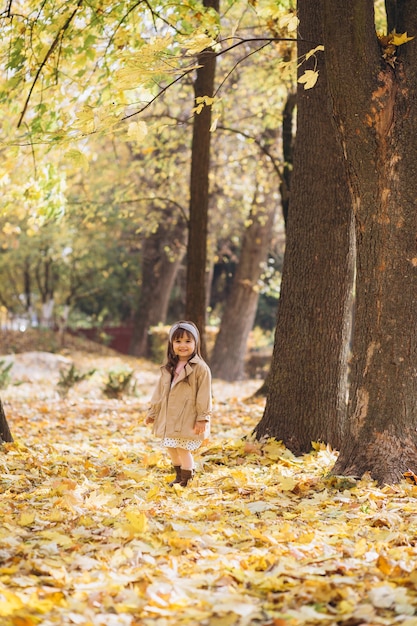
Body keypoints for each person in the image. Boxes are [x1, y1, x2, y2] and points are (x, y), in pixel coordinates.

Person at [145, 320, 212, 487]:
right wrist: (152, 412)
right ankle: (178, 475)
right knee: (171, 448)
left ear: (196, 343)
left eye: (188, 341)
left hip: (187, 416)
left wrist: (202, 417)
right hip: (169, 416)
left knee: (183, 448)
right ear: (171, 344)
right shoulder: (168, 368)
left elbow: (204, 394)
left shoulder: (200, 368)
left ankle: (188, 478)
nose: (183, 345)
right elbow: (159, 392)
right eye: (178, 341)